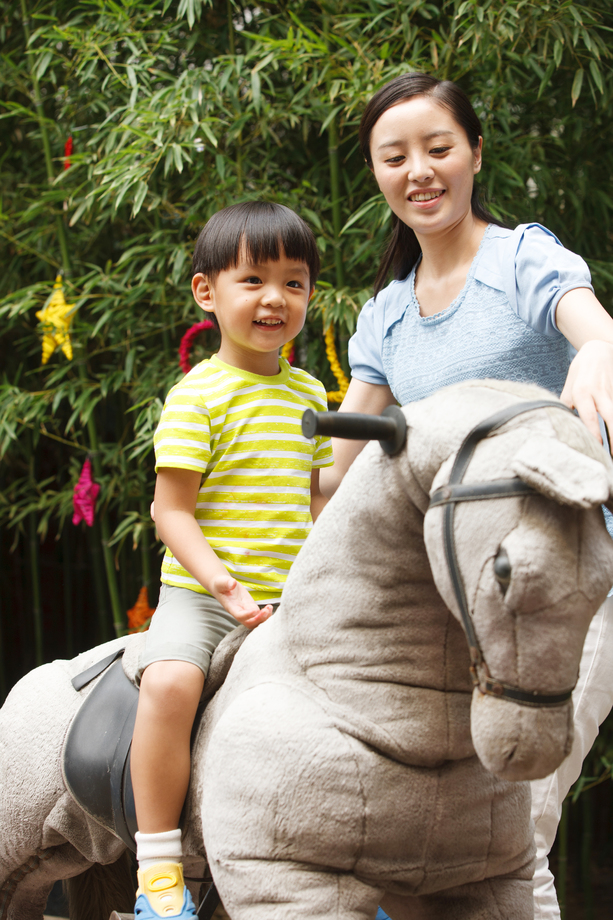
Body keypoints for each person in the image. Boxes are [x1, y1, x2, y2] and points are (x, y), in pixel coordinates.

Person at [320, 72, 613, 920]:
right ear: (375, 173)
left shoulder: (521, 259)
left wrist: (597, 351)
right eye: (394, 156)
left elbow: (594, 330)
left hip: (562, 577)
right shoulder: (383, 316)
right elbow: (339, 474)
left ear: (475, 154)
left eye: (437, 147)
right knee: (438, 837)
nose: (418, 170)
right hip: (455, 598)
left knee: (513, 830)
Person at [130, 201, 333, 920]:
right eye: (253, 280)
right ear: (206, 292)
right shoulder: (198, 395)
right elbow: (170, 512)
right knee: (170, 684)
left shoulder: (311, 394)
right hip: (206, 597)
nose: (275, 298)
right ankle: (157, 864)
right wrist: (224, 585)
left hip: (294, 600)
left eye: (293, 282)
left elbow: (316, 499)